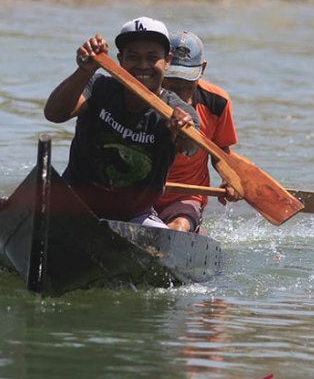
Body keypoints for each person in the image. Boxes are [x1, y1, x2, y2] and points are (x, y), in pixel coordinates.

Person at [44, 17, 201, 228]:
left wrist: (181, 131)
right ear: (120, 60)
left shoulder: (179, 110)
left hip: (133, 217)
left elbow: (190, 149)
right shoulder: (98, 86)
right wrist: (84, 70)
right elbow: (54, 114)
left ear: (168, 61)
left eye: (152, 58)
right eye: (133, 57)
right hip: (74, 204)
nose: (143, 66)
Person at [154, 31, 241, 232]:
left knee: (178, 228)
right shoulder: (145, 97)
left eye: (186, 81)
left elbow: (220, 152)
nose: (179, 90)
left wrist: (229, 179)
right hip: (143, 190)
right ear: (164, 65)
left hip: (186, 195)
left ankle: (192, 228)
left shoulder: (217, 102)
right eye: (173, 80)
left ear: (202, 70)